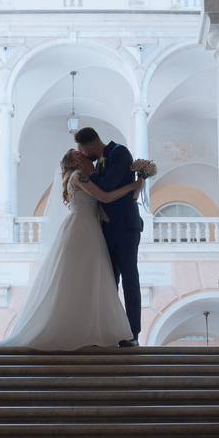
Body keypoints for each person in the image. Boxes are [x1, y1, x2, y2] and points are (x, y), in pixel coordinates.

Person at [0, 149, 143, 351]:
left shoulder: (81, 176)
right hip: (83, 230)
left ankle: (89, 328)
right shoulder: (79, 176)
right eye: (80, 154)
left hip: (88, 228)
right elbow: (106, 197)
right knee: (82, 279)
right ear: (75, 160)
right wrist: (133, 185)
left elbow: (100, 203)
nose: (85, 155)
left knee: (86, 280)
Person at [75, 127, 143, 347]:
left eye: (84, 151)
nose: (84, 156)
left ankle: (133, 332)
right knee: (110, 280)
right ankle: (111, 329)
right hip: (105, 228)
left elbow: (107, 186)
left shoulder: (120, 153)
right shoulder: (98, 161)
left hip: (125, 227)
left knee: (129, 278)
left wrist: (91, 172)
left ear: (91, 146)